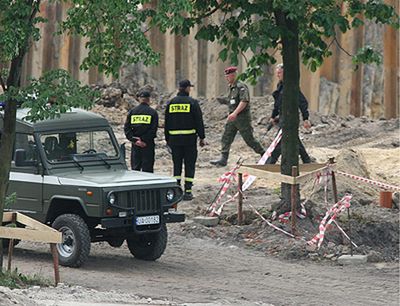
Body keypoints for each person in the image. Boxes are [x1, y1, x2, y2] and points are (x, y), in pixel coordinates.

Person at [210, 66, 265, 167]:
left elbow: (244, 101)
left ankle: (264, 154)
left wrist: (235, 113)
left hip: (242, 118)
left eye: (228, 76)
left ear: (234, 75)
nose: (226, 78)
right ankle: (223, 159)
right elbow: (232, 101)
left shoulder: (241, 87)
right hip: (232, 118)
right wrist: (222, 101)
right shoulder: (231, 88)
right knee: (226, 137)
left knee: (249, 139)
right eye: (226, 76)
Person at [165, 79, 206, 201]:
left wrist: (167, 140)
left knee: (176, 165)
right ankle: (188, 192)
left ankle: (176, 191)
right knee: (189, 165)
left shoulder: (171, 103)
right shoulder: (192, 103)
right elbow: (199, 121)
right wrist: (202, 137)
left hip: (174, 140)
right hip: (189, 140)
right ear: (187, 88)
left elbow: (167, 123)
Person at [266, 63, 312, 164]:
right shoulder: (280, 86)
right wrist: (273, 116)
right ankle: (307, 160)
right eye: (277, 73)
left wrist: (306, 118)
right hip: (283, 117)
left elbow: (302, 102)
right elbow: (277, 103)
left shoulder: (291, 86)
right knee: (294, 139)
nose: (278, 75)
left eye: (279, 73)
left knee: (280, 141)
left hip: (290, 119)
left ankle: (270, 163)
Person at [124, 90, 158, 172]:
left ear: (139, 99)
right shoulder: (152, 112)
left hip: (136, 145)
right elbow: (153, 130)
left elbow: (127, 128)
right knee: (148, 170)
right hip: (147, 144)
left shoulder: (132, 112)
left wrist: (135, 140)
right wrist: (143, 140)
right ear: (148, 99)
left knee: (135, 169)